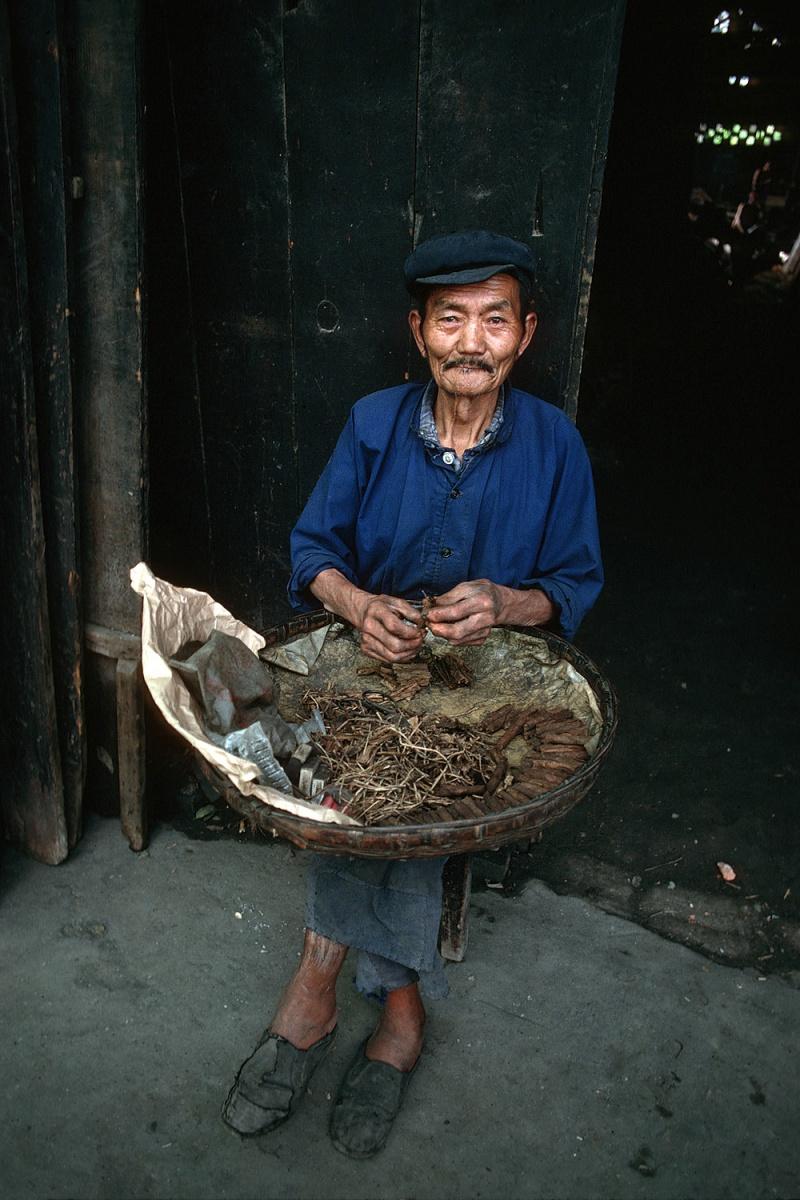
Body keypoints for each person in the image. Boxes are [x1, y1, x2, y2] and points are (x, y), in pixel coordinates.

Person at [221, 230, 603, 1157]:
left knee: (414, 797)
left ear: (525, 333)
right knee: (363, 784)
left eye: (494, 320)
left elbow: (574, 582)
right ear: (419, 332)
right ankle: (397, 1011)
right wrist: (357, 605)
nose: (472, 342)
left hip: (486, 695)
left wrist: (509, 602)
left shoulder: (554, 444)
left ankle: (314, 991)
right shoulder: (371, 423)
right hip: (367, 673)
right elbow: (313, 553)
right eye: (451, 319)